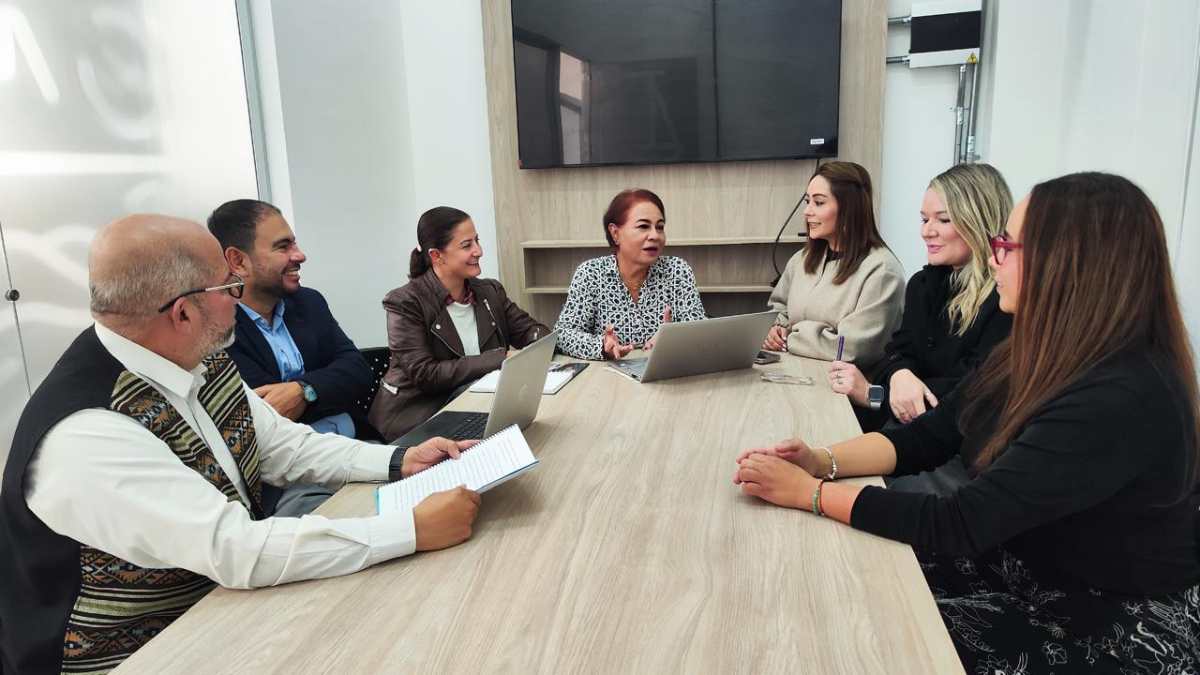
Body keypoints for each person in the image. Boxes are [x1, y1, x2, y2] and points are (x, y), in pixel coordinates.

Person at [734, 173, 1200, 673]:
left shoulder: (1118, 394)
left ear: (1067, 263)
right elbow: (931, 435)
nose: (994, 257)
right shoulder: (1035, 352)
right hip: (1031, 567)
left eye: (1007, 246)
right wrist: (820, 460)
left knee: (863, 632)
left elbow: (960, 522)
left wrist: (809, 494)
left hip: (1114, 624)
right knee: (841, 576)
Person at [0, 215, 482, 674]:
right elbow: (234, 549)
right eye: (229, 287)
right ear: (183, 312)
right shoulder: (88, 432)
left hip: (219, 611)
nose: (240, 297)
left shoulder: (195, 357)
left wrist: (400, 459)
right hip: (134, 655)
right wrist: (411, 529)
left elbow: (283, 446)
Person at [209, 199, 378, 515]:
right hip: (292, 484)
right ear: (238, 261)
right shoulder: (216, 328)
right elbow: (269, 413)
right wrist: (329, 384)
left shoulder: (309, 303)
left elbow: (358, 371)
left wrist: (305, 391)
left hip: (360, 449)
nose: (299, 255)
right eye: (283, 247)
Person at [829, 164, 1012, 446]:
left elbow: (970, 392)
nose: (927, 231)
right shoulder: (923, 284)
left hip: (960, 445)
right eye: (924, 219)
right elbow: (897, 352)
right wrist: (900, 373)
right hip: (909, 430)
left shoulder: (1006, 298)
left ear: (979, 221)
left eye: (943, 220)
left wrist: (873, 394)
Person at [368, 207, 550, 442]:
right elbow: (426, 374)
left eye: (477, 241)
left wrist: (539, 343)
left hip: (474, 408)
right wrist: (501, 358)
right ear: (436, 255)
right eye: (466, 245)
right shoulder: (404, 302)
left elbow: (531, 331)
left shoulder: (489, 291)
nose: (479, 251)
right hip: (417, 422)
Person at [762, 162, 905, 382]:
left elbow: (852, 348)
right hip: (794, 376)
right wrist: (775, 329)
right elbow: (779, 309)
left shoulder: (882, 270)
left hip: (843, 391)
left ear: (849, 208)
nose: (807, 211)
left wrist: (791, 336)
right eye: (807, 201)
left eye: (819, 202)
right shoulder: (800, 260)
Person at [554, 188, 706, 360]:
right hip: (608, 373)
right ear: (615, 233)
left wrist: (672, 338)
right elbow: (562, 334)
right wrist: (602, 346)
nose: (655, 235)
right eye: (643, 226)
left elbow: (700, 331)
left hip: (665, 369)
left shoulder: (677, 270)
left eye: (660, 227)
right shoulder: (590, 274)